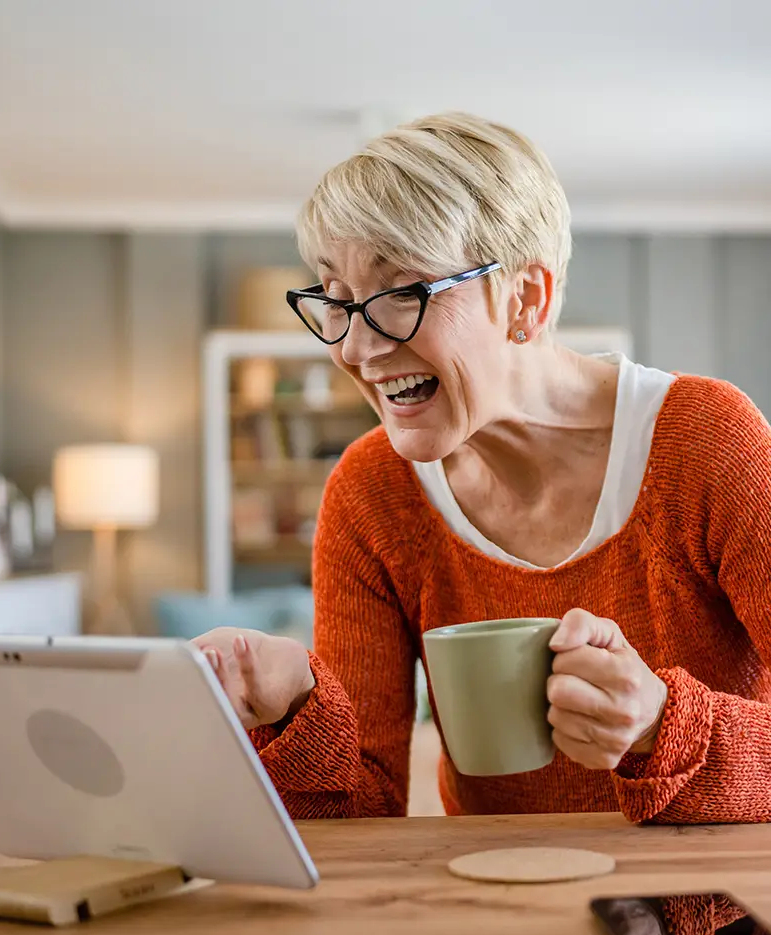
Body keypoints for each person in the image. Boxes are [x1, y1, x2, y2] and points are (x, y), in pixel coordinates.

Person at [194, 111, 771, 825]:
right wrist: (293, 708)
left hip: (717, 918)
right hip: (491, 904)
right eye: (337, 301)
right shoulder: (370, 493)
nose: (357, 348)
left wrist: (663, 726)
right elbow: (363, 813)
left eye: (402, 292)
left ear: (526, 298)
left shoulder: (709, 443)